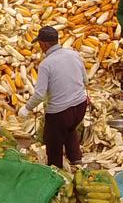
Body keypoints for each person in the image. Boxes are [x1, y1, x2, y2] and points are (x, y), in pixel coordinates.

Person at [24, 25, 89, 170]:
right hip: (80, 106)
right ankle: (76, 160)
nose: (39, 46)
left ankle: (56, 172)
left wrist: (26, 108)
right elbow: (86, 80)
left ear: (45, 44)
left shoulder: (46, 65)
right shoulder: (73, 54)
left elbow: (40, 94)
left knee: (53, 143)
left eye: (40, 43)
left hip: (60, 113)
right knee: (71, 130)